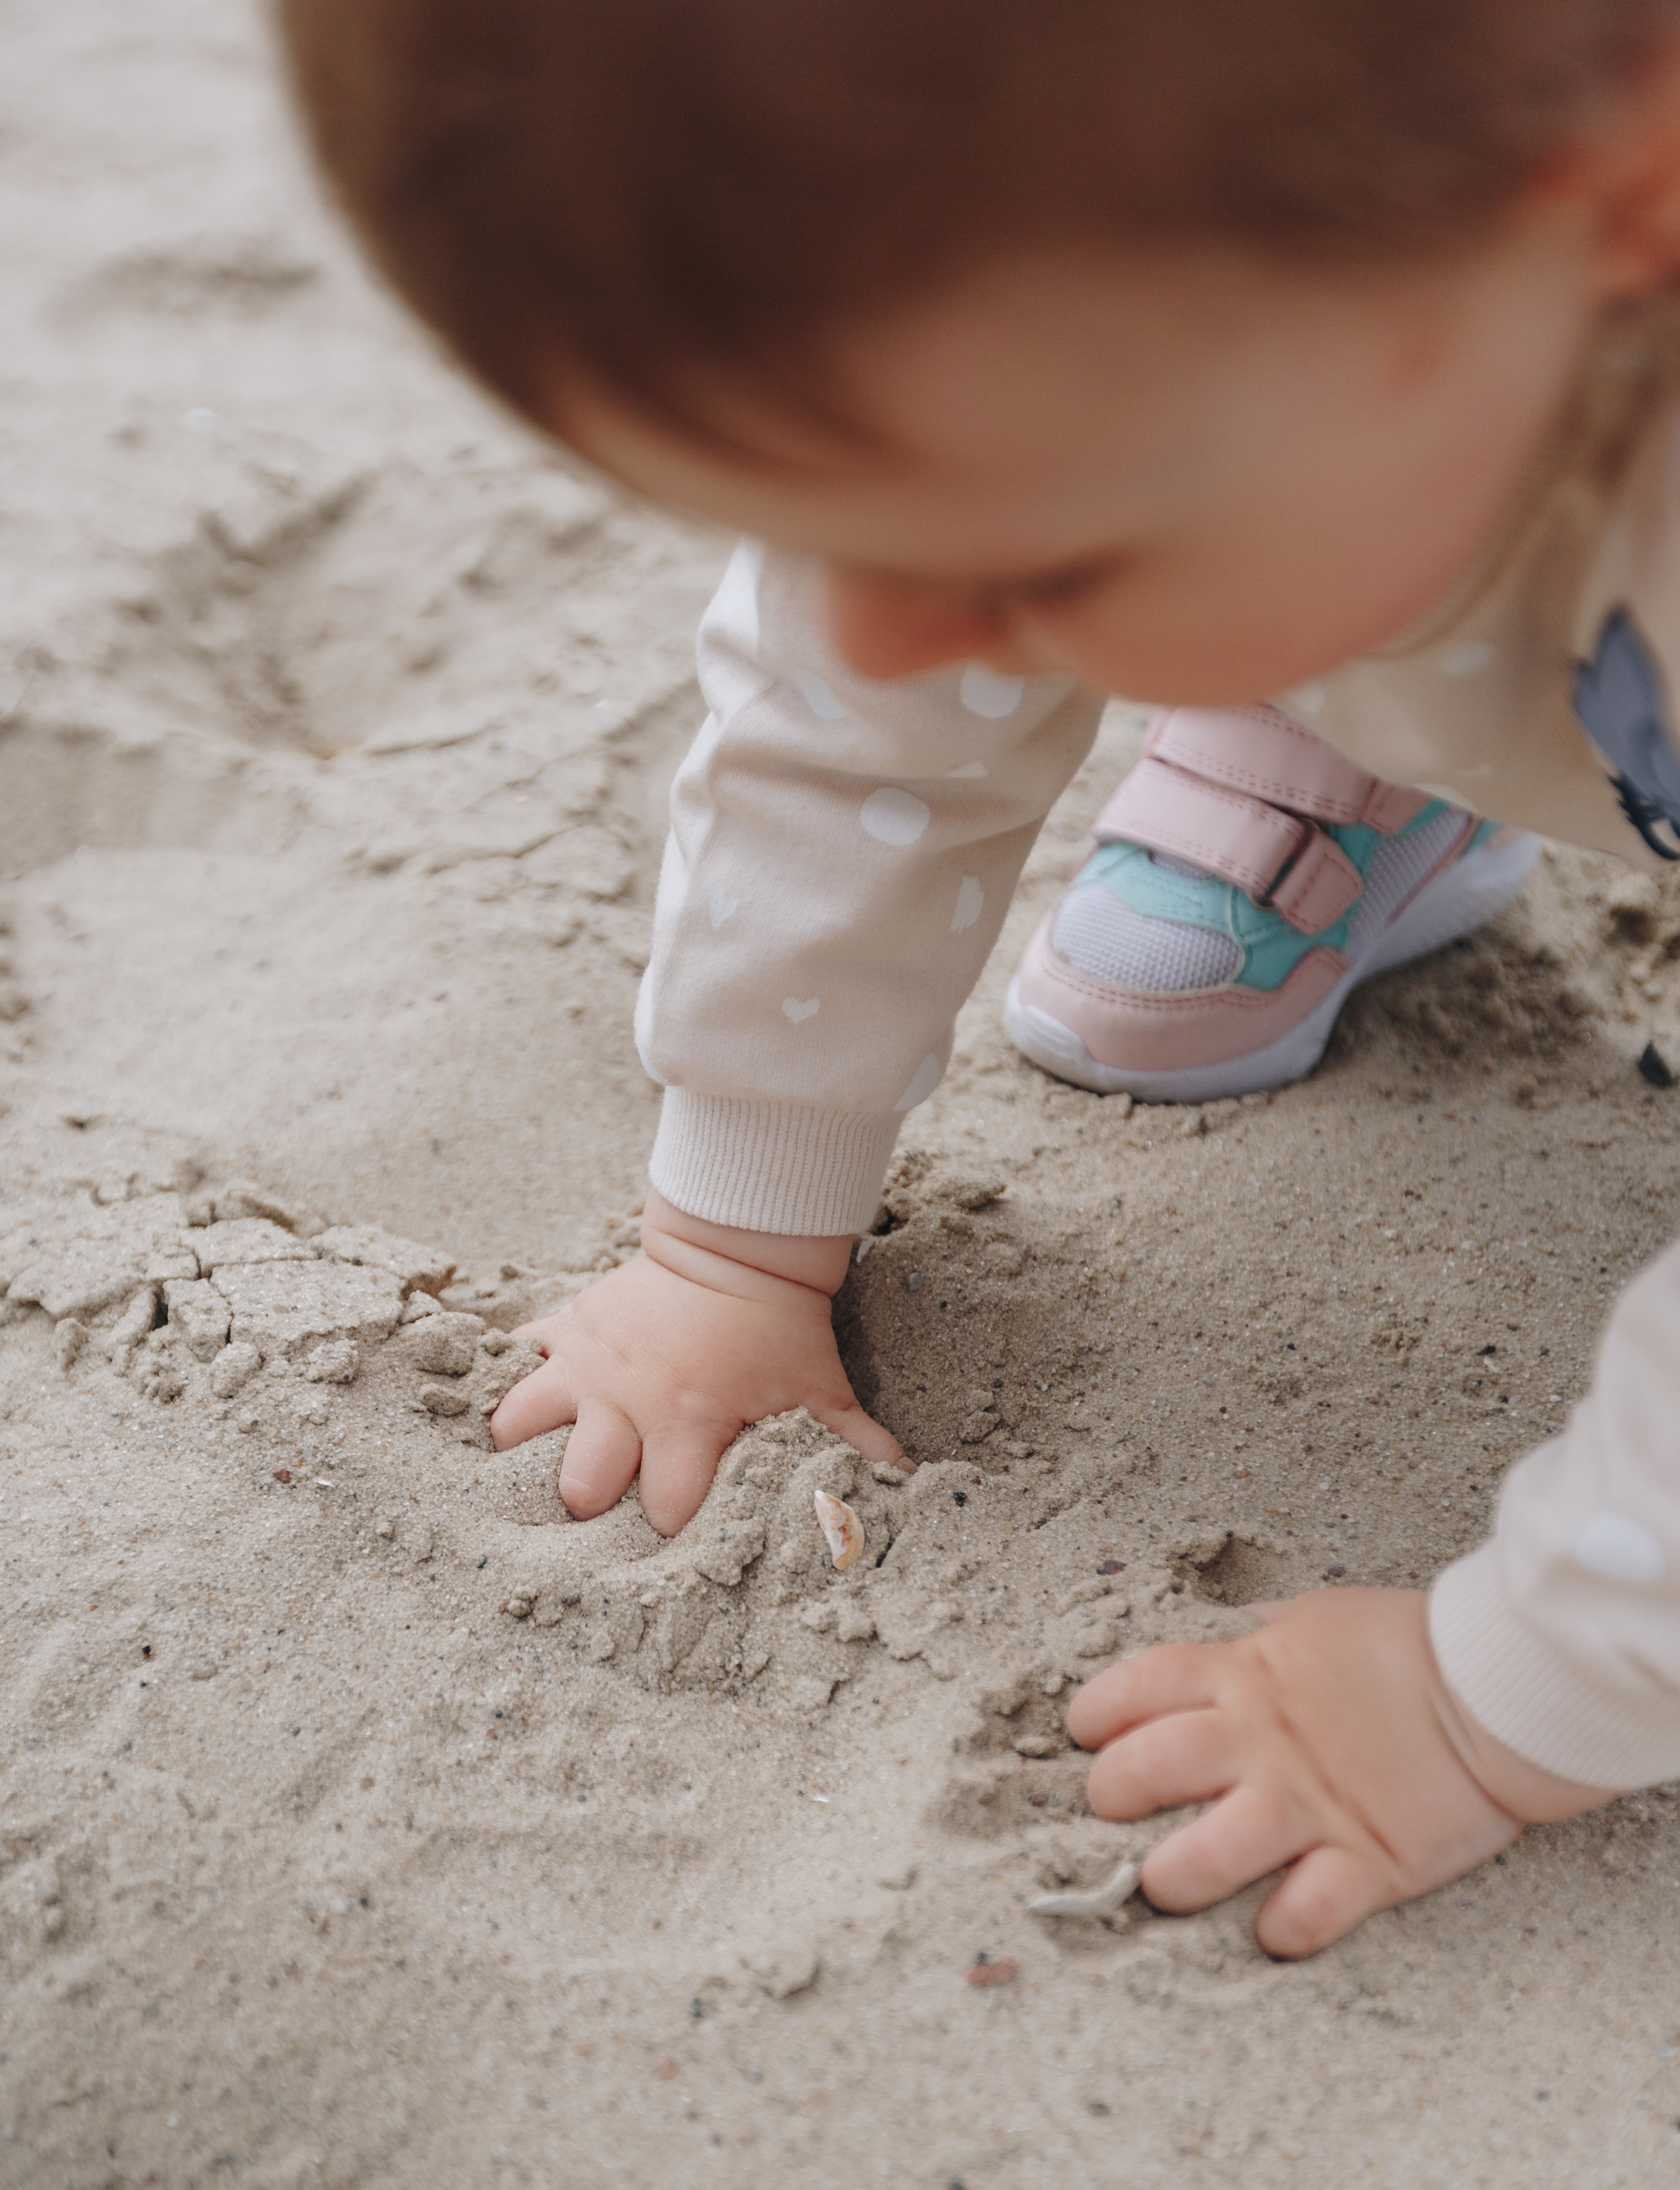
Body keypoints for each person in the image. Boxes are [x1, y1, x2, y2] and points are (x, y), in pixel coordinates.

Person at [278, 0, 1680, 1952]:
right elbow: (850, 721)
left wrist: (1498, 1697)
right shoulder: (1267, 310)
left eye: (1051, 547)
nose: (881, 622)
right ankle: (1352, 721)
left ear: (1618, 197)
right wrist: (739, 1231)